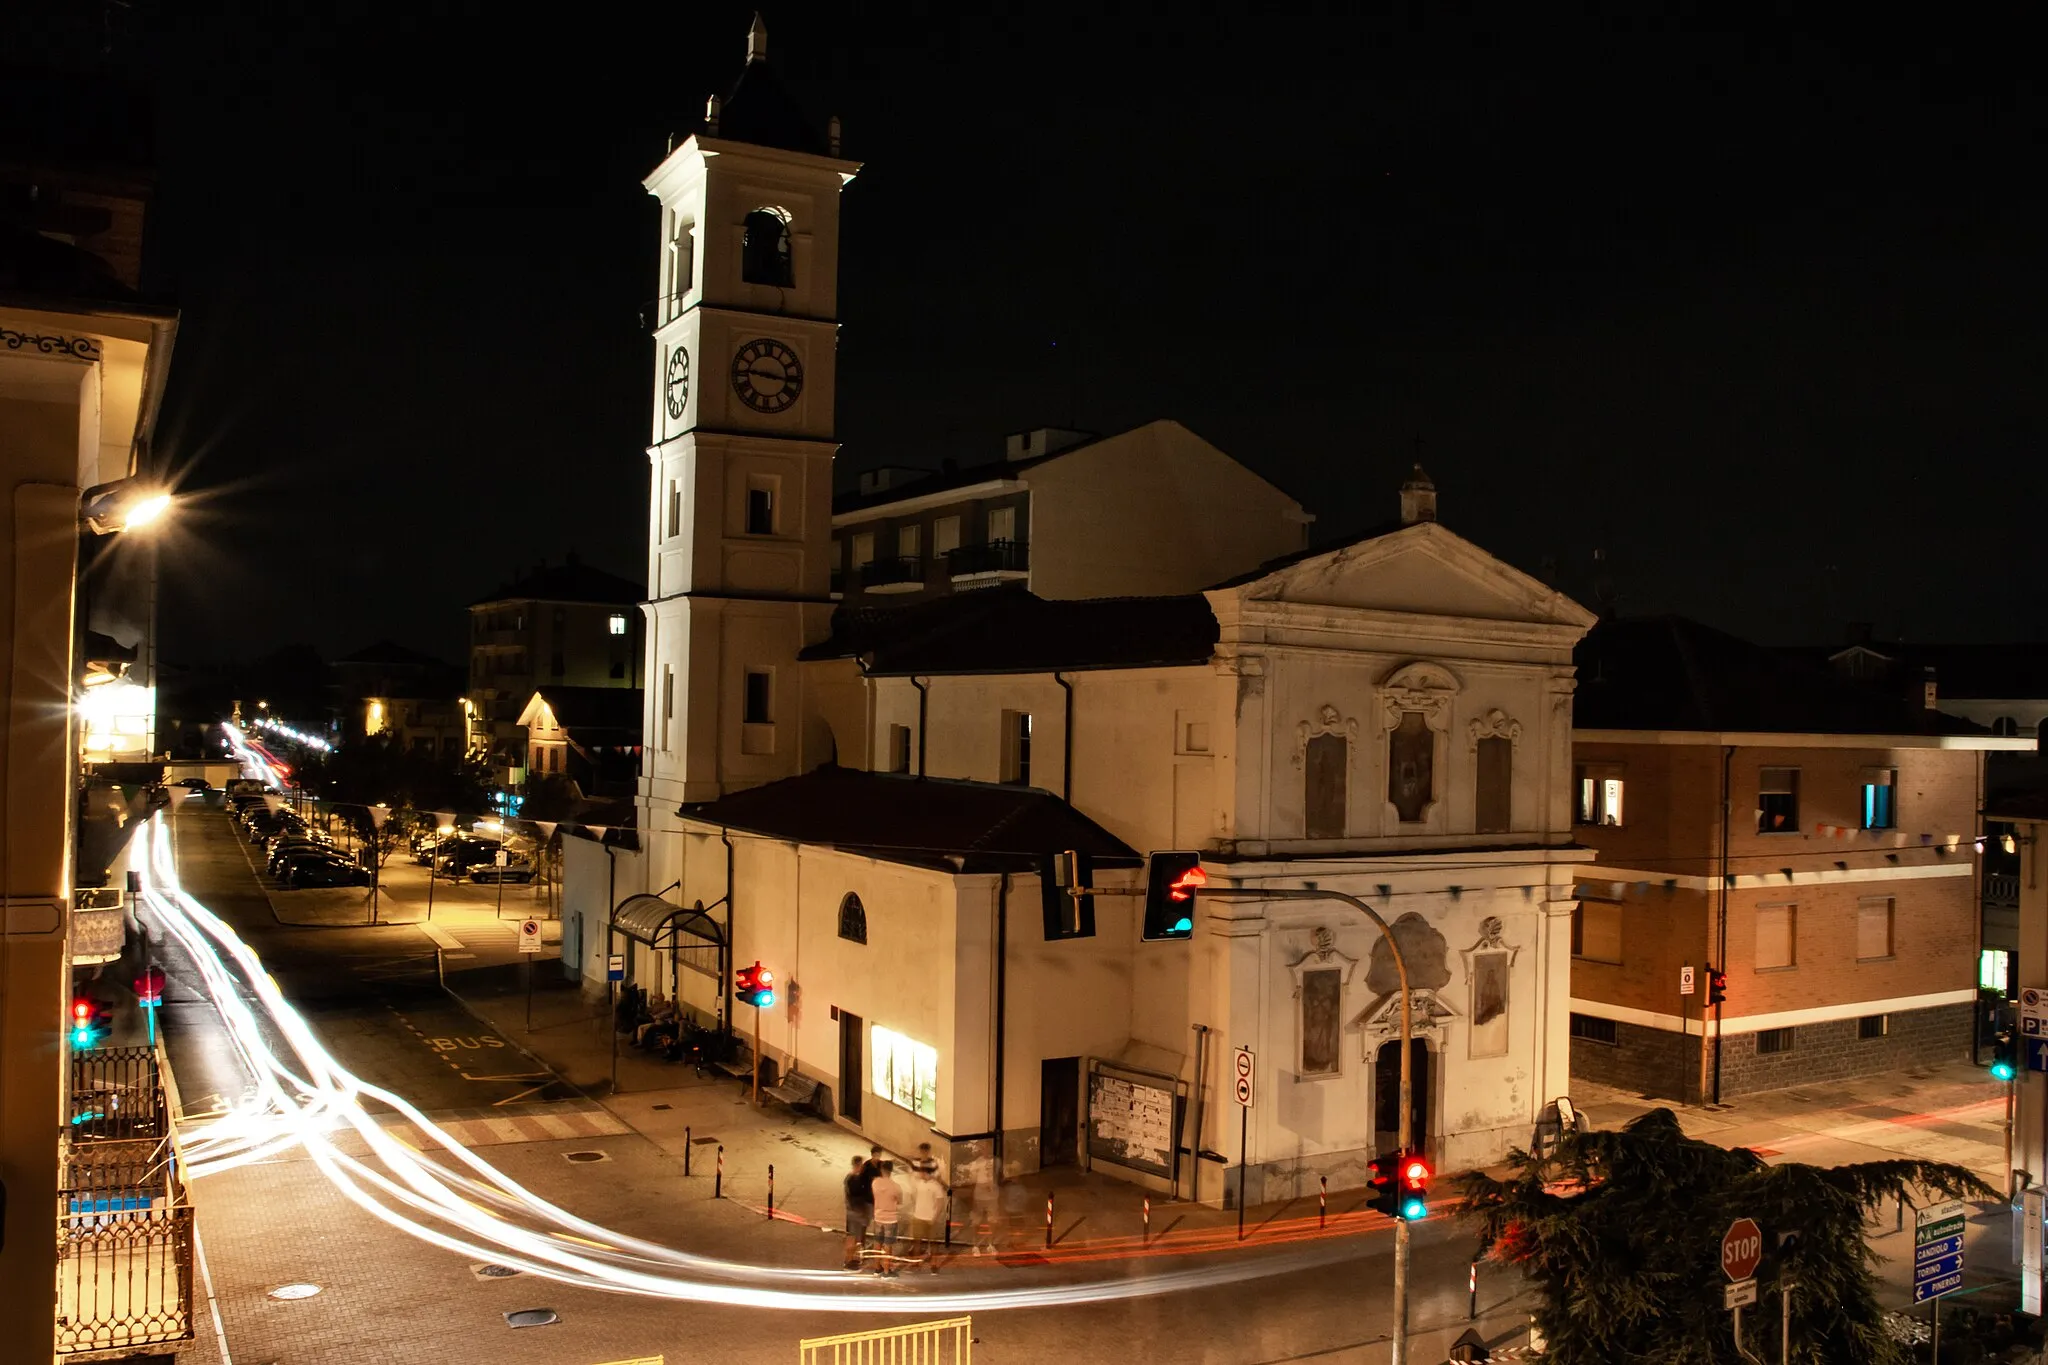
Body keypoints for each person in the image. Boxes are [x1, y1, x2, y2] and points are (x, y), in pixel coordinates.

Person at [907, 1158, 948, 1271]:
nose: (919, 1173)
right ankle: (916, 1262)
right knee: (917, 1241)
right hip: (918, 1217)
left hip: (930, 1218)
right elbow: (914, 1197)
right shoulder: (919, 1184)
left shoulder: (936, 1186)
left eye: (921, 1172)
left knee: (934, 1242)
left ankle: (933, 1264)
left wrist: (934, 1217)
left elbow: (940, 1203)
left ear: (926, 1172)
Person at [870, 1159, 903, 1275]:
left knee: (877, 1243)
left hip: (878, 1217)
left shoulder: (875, 1183)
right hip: (891, 1219)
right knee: (888, 1245)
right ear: (891, 1170)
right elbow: (899, 1201)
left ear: (881, 1170)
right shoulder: (896, 1186)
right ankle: (886, 1271)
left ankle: (876, 1268)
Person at [841, 1155, 870, 1270]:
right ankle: (850, 1260)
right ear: (858, 1165)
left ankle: (849, 1259)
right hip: (857, 1212)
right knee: (854, 1238)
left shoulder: (848, 1178)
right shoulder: (856, 1180)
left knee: (851, 1236)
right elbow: (859, 1197)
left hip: (850, 1211)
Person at [971, 1153, 1001, 1255]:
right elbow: (972, 1179)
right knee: (977, 1221)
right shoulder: (977, 1162)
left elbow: (998, 1176)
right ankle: (975, 1246)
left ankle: (990, 1244)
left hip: (992, 1196)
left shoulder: (997, 1161)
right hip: (980, 1196)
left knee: (992, 1220)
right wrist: (984, 1185)